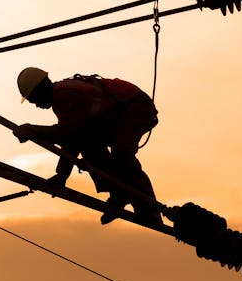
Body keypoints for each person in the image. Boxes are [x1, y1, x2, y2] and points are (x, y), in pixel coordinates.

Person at [13, 67, 161, 226]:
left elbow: (69, 134)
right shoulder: (62, 94)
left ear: (40, 90)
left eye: (33, 99)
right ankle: (119, 194)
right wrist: (61, 175)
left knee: (122, 154)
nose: (35, 105)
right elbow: (76, 137)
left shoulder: (63, 95)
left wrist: (33, 131)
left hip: (134, 108)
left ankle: (149, 210)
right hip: (116, 115)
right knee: (90, 147)